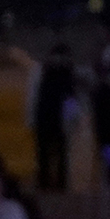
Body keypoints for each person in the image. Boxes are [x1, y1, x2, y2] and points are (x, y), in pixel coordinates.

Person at [32, 43, 77, 191]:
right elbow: (33, 94)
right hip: (45, 115)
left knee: (59, 152)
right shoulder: (42, 71)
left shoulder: (68, 73)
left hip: (56, 117)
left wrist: (72, 120)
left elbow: (71, 99)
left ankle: (59, 184)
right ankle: (46, 182)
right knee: (45, 151)